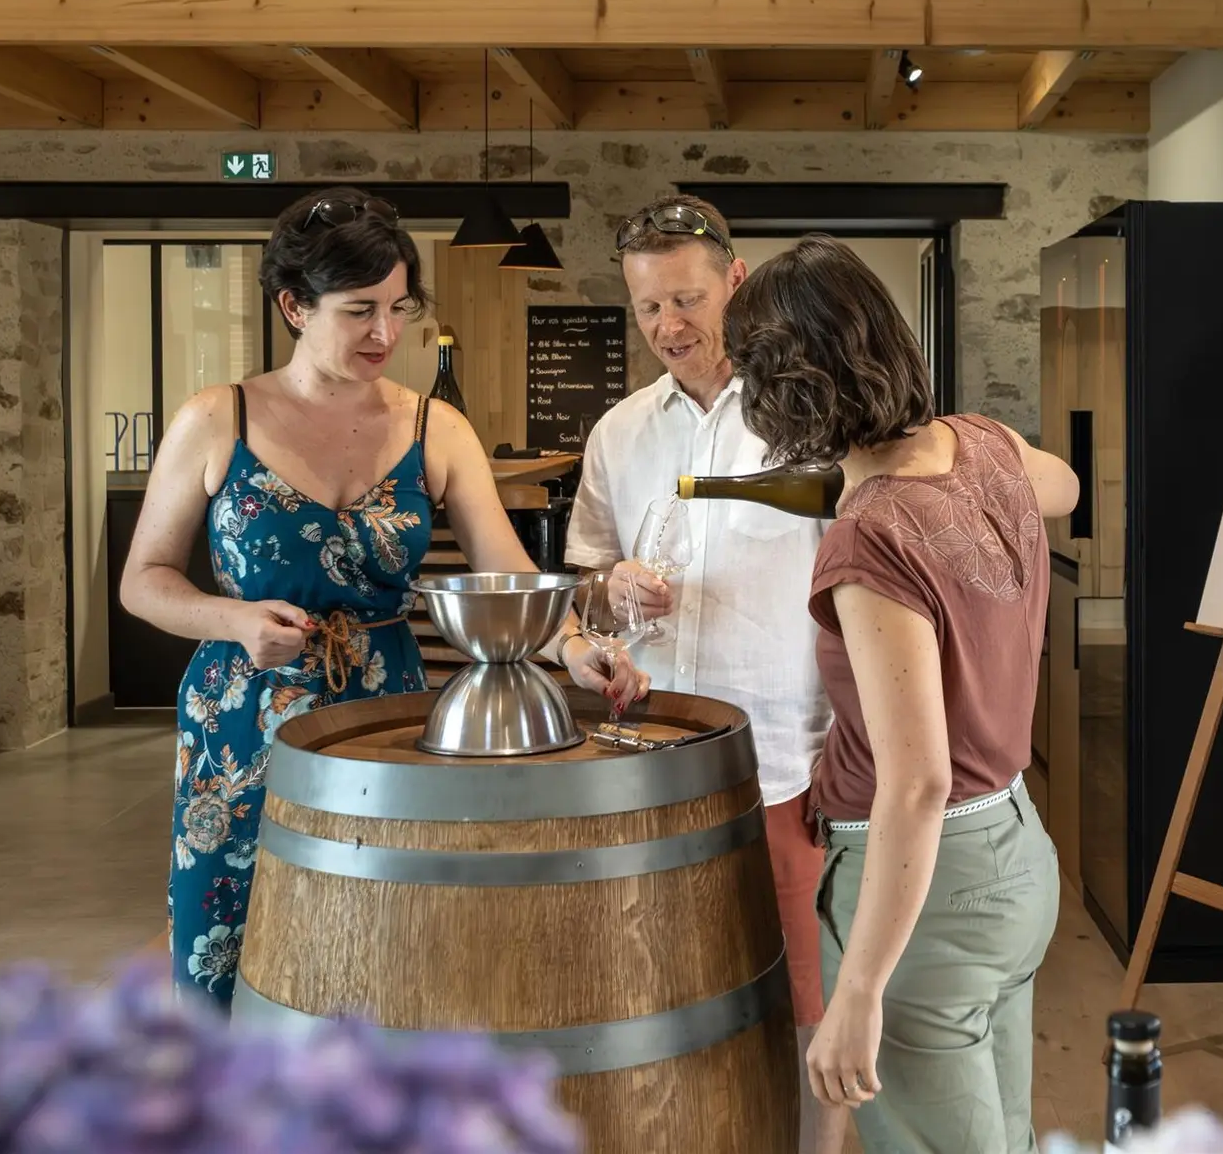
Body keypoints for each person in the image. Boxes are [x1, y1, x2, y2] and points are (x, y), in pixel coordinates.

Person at [121, 187, 644, 1009]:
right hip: (241, 718)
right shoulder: (217, 417)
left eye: (400, 308)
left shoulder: (436, 427)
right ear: (294, 305)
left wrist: (576, 646)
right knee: (226, 939)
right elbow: (143, 579)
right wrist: (232, 619)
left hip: (386, 714)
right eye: (359, 310)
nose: (386, 334)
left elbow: (503, 571)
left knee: (381, 938)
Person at [722, 233, 1080, 1154]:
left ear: (784, 389)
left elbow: (915, 782)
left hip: (933, 892)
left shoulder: (871, 539)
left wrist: (860, 991)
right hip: (1016, 849)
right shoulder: (986, 444)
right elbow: (1066, 486)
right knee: (1002, 1135)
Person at [563, 196, 848, 1154]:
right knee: (662, 996)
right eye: (647, 309)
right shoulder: (619, 432)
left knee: (811, 1008)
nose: (669, 327)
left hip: (783, 762)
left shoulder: (811, 413)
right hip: (649, 761)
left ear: (736, 280)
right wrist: (610, 590)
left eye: (686, 299)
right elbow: (586, 580)